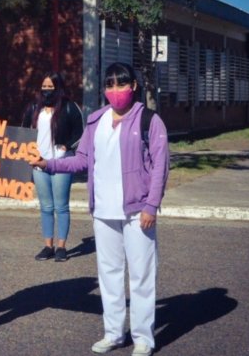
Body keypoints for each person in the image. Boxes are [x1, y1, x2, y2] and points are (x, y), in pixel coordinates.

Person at [31, 63, 169, 356]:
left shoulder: (149, 120)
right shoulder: (96, 120)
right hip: (104, 210)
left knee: (142, 274)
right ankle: (114, 333)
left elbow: (160, 167)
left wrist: (151, 205)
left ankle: (144, 337)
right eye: (110, 85)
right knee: (109, 273)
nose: (115, 91)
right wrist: (48, 164)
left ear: (133, 86)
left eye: (122, 84)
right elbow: (81, 160)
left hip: (136, 211)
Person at [22, 72, 83, 262]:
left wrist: (68, 145)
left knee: (61, 206)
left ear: (59, 88)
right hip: (38, 164)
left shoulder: (69, 107)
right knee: (46, 207)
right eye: (44, 87)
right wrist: (27, 152)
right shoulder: (34, 108)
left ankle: (61, 247)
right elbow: (24, 131)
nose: (47, 91)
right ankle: (48, 246)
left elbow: (80, 132)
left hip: (62, 163)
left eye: (51, 87)